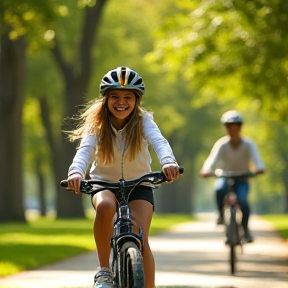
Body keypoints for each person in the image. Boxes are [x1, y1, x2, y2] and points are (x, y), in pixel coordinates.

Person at [65, 66, 180, 288]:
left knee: (141, 237)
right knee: (105, 207)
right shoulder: (97, 124)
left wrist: (168, 162)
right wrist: (76, 172)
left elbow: (159, 141)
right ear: (106, 99)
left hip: (139, 184)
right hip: (103, 184)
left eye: (128, 97)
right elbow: (85, 150)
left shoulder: (144, 120)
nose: (121, 102)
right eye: (115, 96)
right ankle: (104, 272)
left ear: (136, 100)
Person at [200, 110, 264, 243]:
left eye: (234, 125)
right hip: (224, 176)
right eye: (228, 125)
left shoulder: (249, 144)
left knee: (243, 201)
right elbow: (212, 160)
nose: (231, 128)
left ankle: (245, 229)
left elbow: (257, 159)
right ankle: (221, 215)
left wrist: (259, 168)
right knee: (218, 190)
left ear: (239, 127)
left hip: (242, 178)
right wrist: (206, 170)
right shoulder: (222, 144)